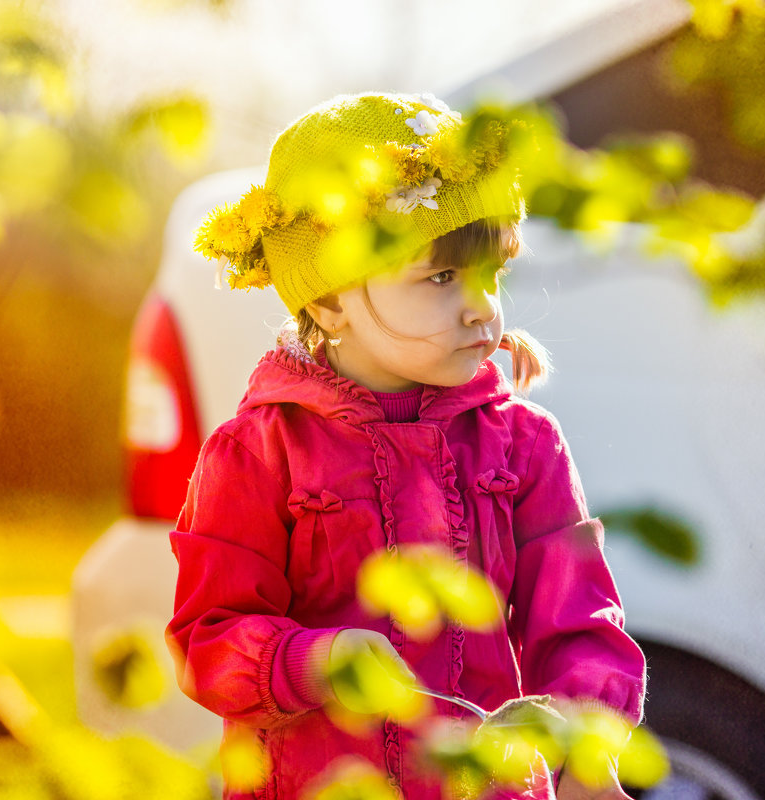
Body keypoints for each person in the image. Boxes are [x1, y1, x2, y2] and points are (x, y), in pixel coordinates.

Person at [167, 92, 646, 800]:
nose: (481, 305)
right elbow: (208, 636)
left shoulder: (524, 445)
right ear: (329, 299)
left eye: (491, 274)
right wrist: (311, 660)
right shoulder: (261, 451)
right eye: (442, 277)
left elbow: (578, 622)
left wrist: (581, 742)